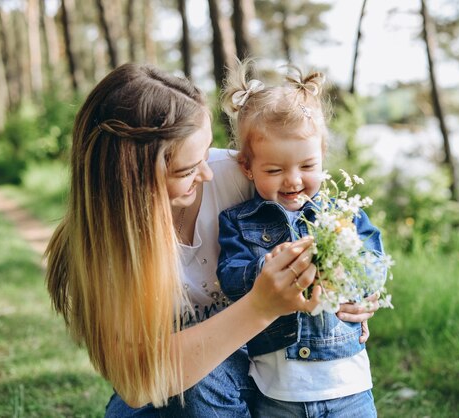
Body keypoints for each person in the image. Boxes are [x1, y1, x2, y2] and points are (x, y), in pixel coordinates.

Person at [45, 63, 379, 417]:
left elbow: (320, 219)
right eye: (187, 170)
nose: (208, 173)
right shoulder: (102, 247)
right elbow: (137, 383)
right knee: (199, 383)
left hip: (263, 385)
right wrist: (260, 307)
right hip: (169, 396)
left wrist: (348, 290)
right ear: (134, 180)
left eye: (207, 153)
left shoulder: (240, 176)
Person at [216, 60, 384, 417]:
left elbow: (374, 265)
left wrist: (356, 285)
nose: (292, 181)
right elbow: (230, 277)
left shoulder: (344, 216)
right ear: (247, 167)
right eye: (274, 170)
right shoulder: (236, 221)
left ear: (322, 156)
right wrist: (266, 268)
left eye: (307, 167)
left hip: (347, 384)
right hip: (277, 390)